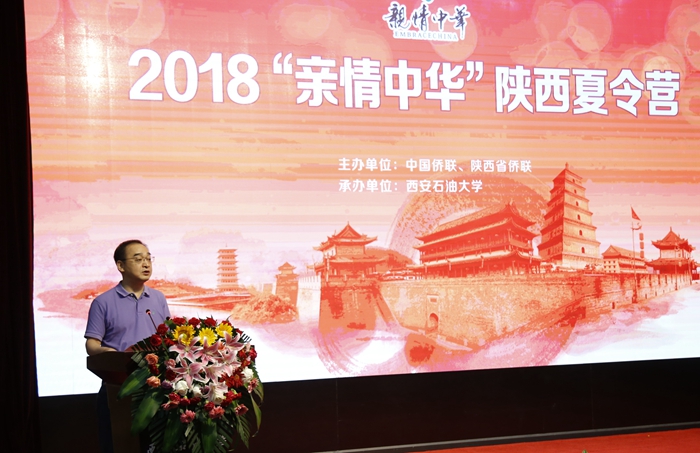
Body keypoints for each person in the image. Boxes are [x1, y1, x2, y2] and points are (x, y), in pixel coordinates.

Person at [84, 239, 171, 453]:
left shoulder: (158, 298)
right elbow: (91, 344)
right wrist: (108, 353)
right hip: (120, 387)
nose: (146, 264)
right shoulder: (103, 302)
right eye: (138, 259)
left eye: (148, 259)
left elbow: (169, 338)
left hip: (156, 388)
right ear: (120, 266)